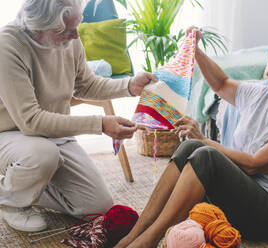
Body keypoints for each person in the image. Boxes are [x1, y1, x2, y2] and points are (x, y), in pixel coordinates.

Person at [115, 27, 268, 248]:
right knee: (191, 147)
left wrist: (205, 139)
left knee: (207, 153)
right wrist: (195, 50)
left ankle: (148, 241)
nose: (267, 74)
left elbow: (254, 166)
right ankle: (135, 234)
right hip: (235, 195)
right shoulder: (265, 94)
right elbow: (221, 85)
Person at [0, 0, 157, 232]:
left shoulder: (68, 39)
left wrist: (130, 86)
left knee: (97, 208)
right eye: (67, 31)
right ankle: (11, 202)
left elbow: (86, 84)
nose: (76, 37)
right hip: (11, 133)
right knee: (43, 155)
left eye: (77, 26)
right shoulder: (8, 46)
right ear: (38, 27)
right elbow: (31, 121)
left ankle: (26, 182)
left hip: (53, 134)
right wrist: (100, 124)